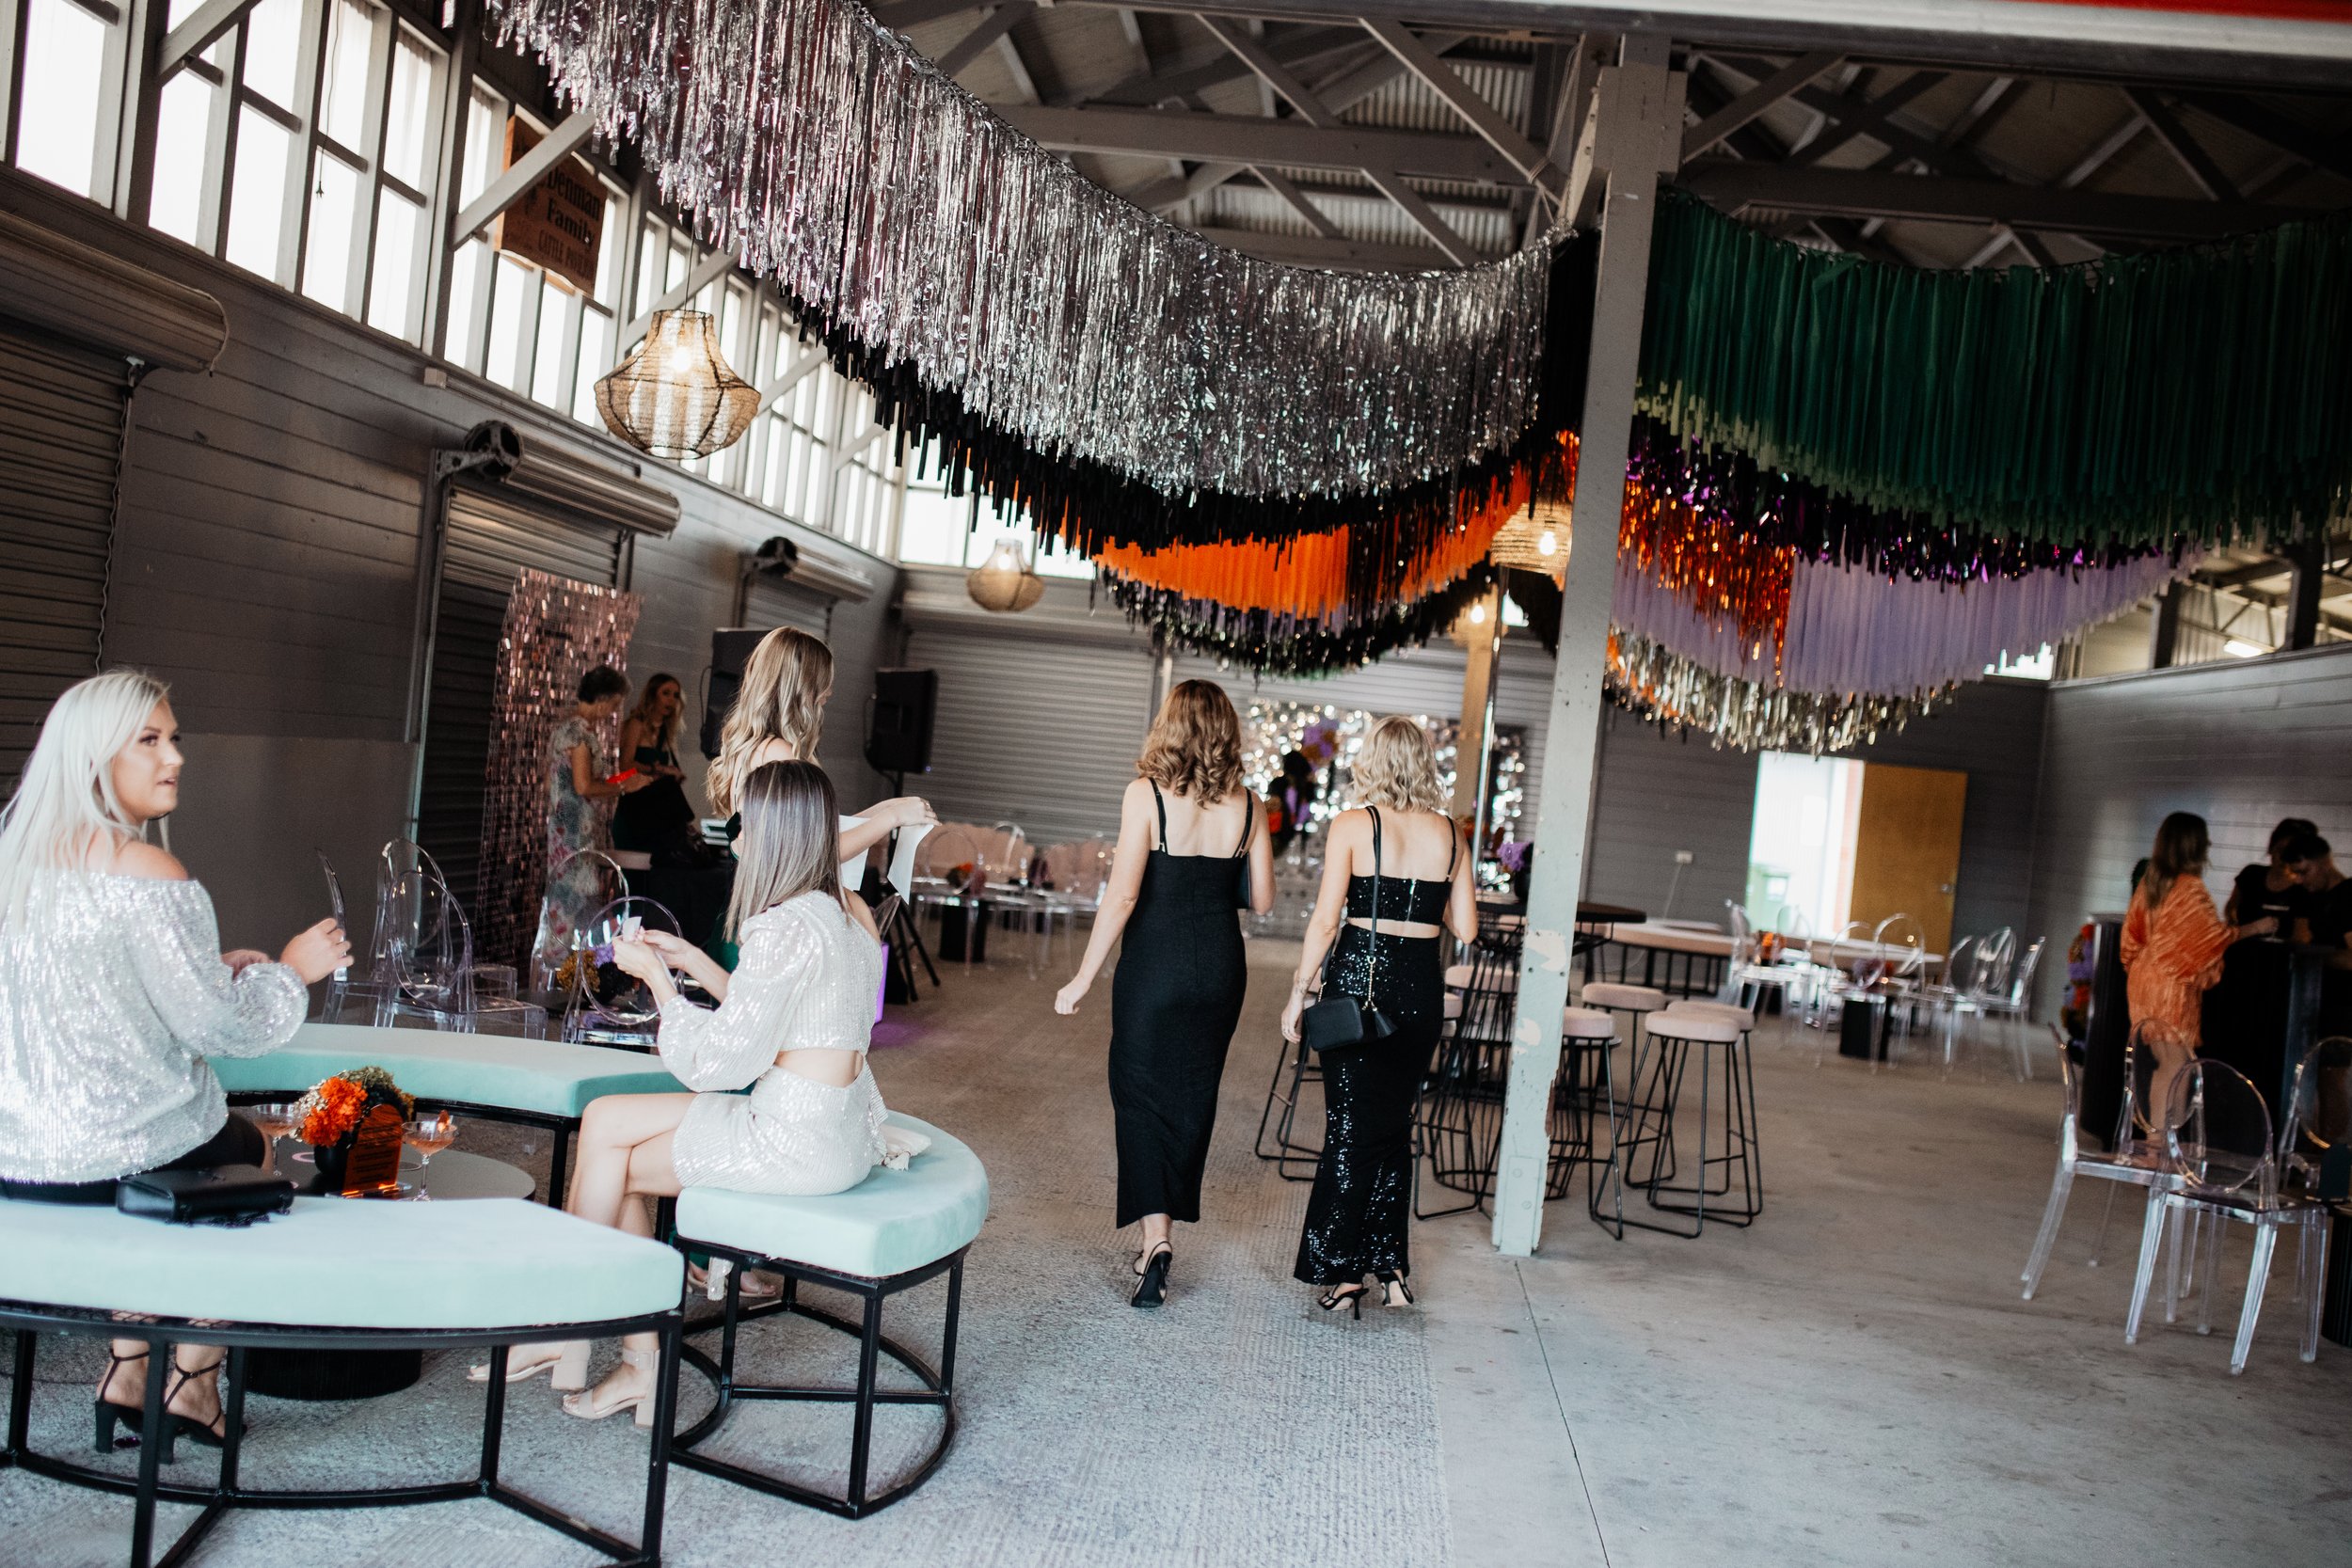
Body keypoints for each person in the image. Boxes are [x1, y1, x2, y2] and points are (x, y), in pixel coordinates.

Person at [478, 760, 918, 1421]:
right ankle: (605, 1354)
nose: (735, 840)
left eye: (747, 826)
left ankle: (570, 1336)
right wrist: (693, 964)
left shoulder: (780, 924)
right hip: (833, 1129)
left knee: (611, 1152)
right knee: (605, 1125)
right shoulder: (849, 912)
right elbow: (795, 1022)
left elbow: (718, 1061)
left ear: (779, 835)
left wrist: (657, 981)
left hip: (790, 1139)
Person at [0, 671, 348, 1452]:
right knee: (251, 1151)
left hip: (16, 1155)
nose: (175, 757)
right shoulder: (148, 871)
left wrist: (202, 963)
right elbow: (225, 1029)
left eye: (175, 738)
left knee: (199, 1155)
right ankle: (195, 1378)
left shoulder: (13, 860)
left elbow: (70, 988)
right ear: (96, 759)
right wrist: (290, 968)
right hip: (114, 1154)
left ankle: (127, 1366)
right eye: (150, 740)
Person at [1054, 679, 1275, 1307]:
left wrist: (1083, 976)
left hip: (1155, 965)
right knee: (1192, 1095)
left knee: (1139, 1092)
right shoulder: (1250, 806)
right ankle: (1163, 1227)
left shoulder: (1145, 795)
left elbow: (1123, 895)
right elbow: (1260, 899)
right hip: (1220, 971)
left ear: (1169, 727)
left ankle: (1157, 1238)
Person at [1281, 716, 1475, 1317]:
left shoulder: (1353, 825)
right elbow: (1466, 928)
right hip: (1420, 987)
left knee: (1348, 1128)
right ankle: (1391, 1269)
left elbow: (1324, 921)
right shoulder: (1451, 833)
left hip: (1360, 982)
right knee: (1393, 1126)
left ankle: (1342, 1275)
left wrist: (1298, 990)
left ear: (1374, 762)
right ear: (1424, 764)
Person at [707, 626, 932, 867]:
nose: (829, 692)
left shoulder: (757, 747)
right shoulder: (778, 754)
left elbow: (822, 834)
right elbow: (816, 854)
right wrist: (892, 817)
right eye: (824, 681)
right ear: (802, 686)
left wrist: (887, 808)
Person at [2121, 812, 2275, 1127]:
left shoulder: (2152, 882)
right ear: (2196, 846)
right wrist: (2256, 927)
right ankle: (2162, 1144)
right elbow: (2209, 939)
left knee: (2166, 1064)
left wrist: (2145, 970)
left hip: (2144, 980)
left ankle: (2159, 1141)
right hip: (2171, 987)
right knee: (2176, 1067)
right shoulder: (2190, 888)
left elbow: (2130, 938)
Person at [532, 666, 649, 982]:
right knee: (576, 901)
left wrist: (625, 778)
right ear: (603, 700)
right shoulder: (580, 735)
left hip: (563, 829)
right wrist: (624, 787)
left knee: (573, 901)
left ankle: (576, 974)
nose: (613, 712)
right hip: (574, 833)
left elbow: (555, 785)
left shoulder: (564, 730)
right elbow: (585, 787)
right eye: (614, 704)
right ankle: (581, 973)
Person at [611, 672, 697, 860]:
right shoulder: (636, 724)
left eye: (675, 695)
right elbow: (624, 767)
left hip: (654, 814)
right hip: (633, 810)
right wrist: (656, 769)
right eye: (666, 693)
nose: (671, 700)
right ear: (652, 694)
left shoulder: (666, 731)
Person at [2224, 816, 2317, 934]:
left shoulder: (2306, 888)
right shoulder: (2251, 874)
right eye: (2280, 850)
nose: (2284, 858)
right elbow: (2231, 910)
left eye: (2291, 853)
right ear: (2271, 848)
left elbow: (2301, 938)